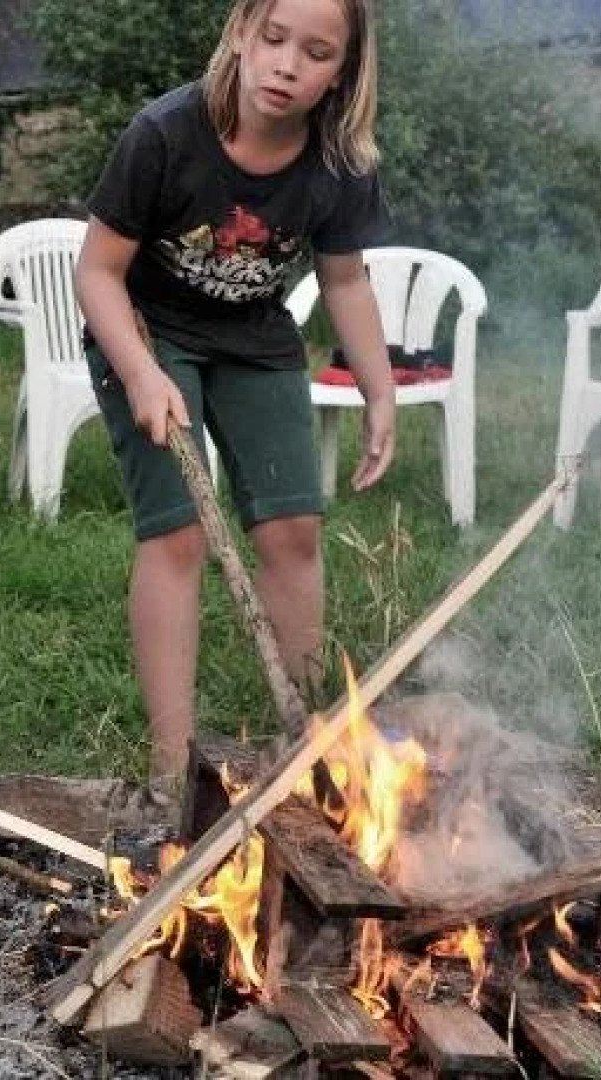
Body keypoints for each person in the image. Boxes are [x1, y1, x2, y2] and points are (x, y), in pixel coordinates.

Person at [73, 0, 399, 793]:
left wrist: (379, 390)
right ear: (242, 34)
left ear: (342, 74)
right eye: (274, 38)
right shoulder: (166, 135)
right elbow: (97, 271)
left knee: (293, 528)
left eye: (316, 52)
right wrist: (145, 375)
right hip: (148, 333)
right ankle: (173, 770)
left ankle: (306, 740)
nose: (287, 64)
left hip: (254, 335)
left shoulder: (339, 163)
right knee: (180, 534)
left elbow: (345, 278)